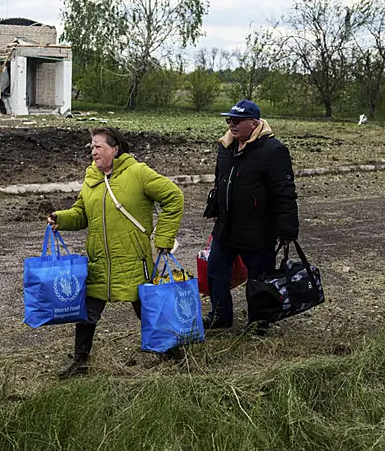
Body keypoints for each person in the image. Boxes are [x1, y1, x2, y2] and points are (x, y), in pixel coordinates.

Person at [47, 127, 184, 378]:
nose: (93, 151)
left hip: (134, 260)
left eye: (98, 146)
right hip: (99, 261)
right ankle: (81, 361)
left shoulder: (138, 173)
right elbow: (81, 214)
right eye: (91, 146)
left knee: (146, 309)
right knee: (87, 312)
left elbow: (174, 197)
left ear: (115, 148)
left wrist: (164, 238)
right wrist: (61, 218)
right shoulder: (92, 178)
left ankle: (173, 354)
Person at [203, 100, 299, 335]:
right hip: (225, 228)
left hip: (258, 230)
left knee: (259, 279)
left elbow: (284, 192)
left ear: (254, 123)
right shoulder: (225, 147)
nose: (231, 125)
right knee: (215, 271)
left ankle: (258, 323)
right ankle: (220, 316)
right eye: (229, 120)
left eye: (237, 121)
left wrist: (288, 228)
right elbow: (221, 182)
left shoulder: (273, 150)